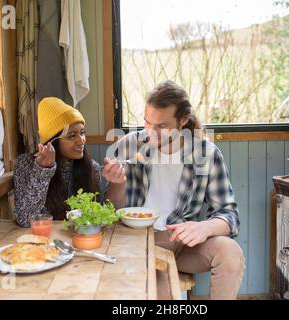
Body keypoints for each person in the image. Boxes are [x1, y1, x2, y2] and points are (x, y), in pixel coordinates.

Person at [114, 80, 245, 300]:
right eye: (147, 123)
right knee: (161, 284)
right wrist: (117, 182)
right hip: (137, 242)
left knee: (230, 252)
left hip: (182, 242)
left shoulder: (207, 154)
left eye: (161, 127)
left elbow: (229, 214)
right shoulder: (129, 146)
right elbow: (110, 211)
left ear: (183, 121)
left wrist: (205, 227)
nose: (150, 133)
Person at [14, 97, 126, 227]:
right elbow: (25, 219)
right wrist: (42, 171)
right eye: (72, 136)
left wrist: (117, 183)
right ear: (52, 142)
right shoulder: (25, 164)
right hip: (41, 242)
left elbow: (101, 216)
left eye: (82, 133)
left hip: (80, 240)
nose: (81, 140)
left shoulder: (91, 168)